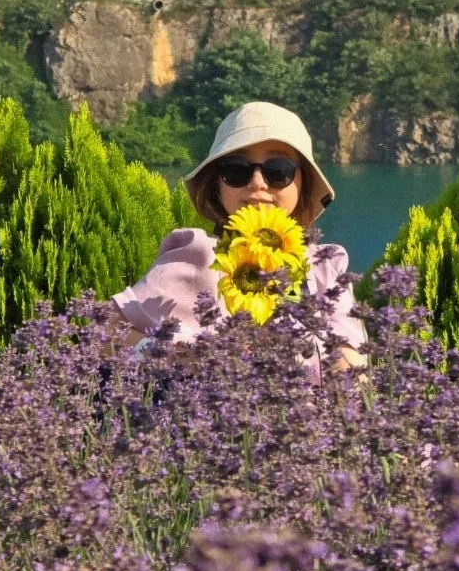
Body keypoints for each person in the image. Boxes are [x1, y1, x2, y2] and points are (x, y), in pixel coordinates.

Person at [111, 101, 368, 375]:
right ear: (217, 184)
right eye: (236, 169)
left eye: (278, 170)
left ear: (302, 182)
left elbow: (353, 363)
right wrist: (176, 361)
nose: (257, 182)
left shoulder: (323, 268)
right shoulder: (199, 255)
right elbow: (107, 329)